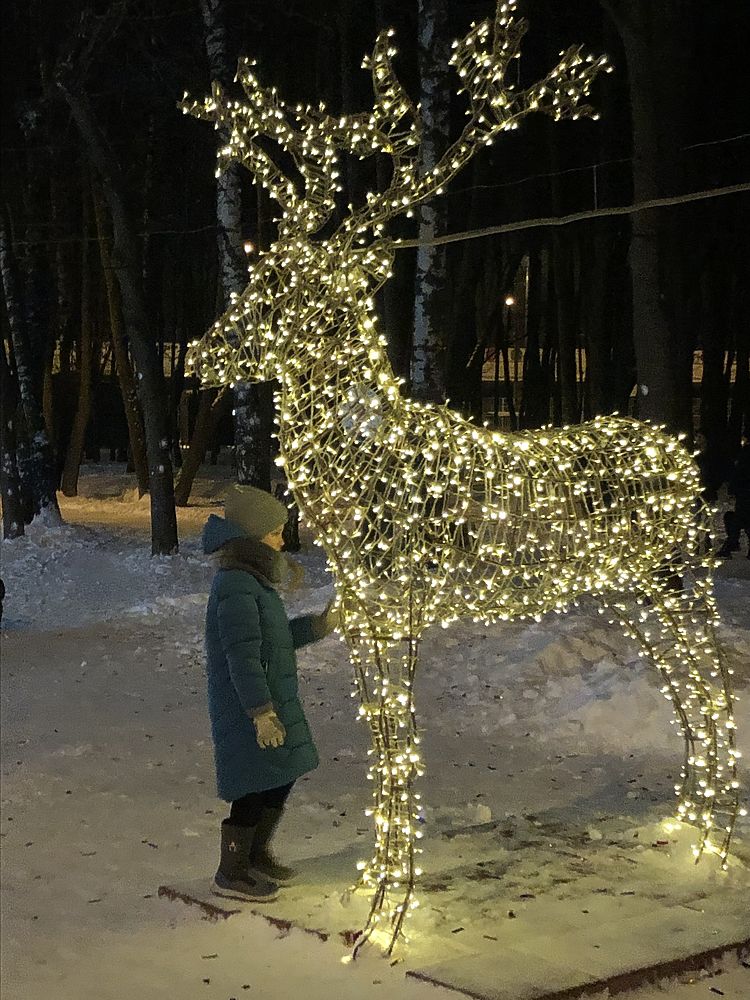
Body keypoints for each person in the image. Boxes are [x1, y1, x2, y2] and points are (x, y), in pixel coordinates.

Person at [202, 484, 337, 902]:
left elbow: (272, 640)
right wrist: (259, 712)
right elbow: (242, 656)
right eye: (276, 532)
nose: (282, 539)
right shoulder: (236, 587)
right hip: (247, 705)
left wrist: (320, 625)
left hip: (271, 697)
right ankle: (232, 870)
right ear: (255, 536)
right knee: (252, 783)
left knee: (282, 771)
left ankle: (256, 855)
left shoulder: (255, 583)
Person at [717, 435, 750, 559]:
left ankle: (731, 543)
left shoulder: (745, 454)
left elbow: (739, 472)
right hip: (743, 494)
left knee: (737, 518)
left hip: (744, 493)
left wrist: (733, 488)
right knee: (739, 518)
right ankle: (732, 543)